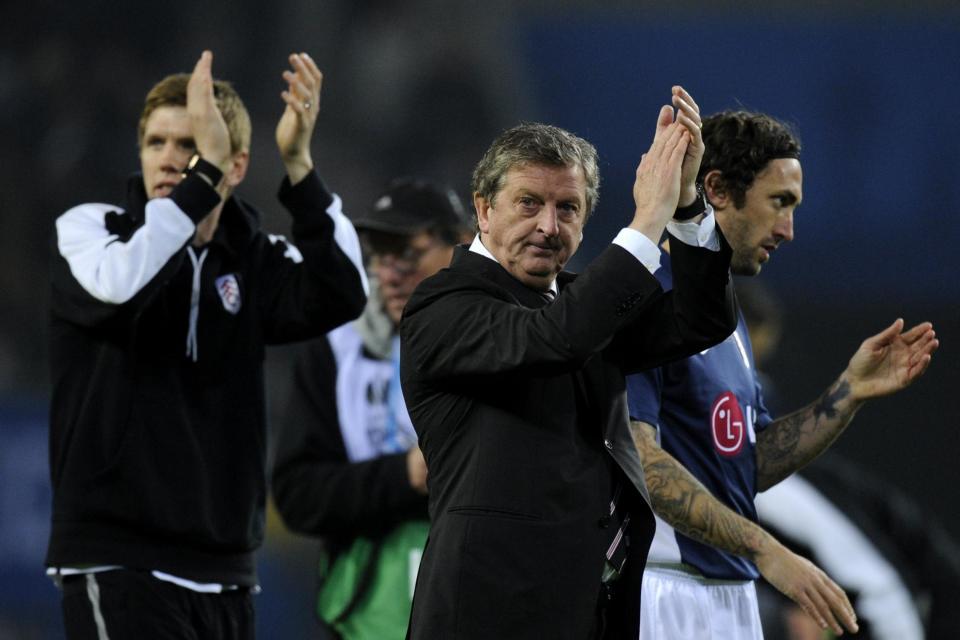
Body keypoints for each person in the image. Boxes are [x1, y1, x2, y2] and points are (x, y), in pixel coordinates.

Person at [45, 50, 368, 639]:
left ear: (236, 165)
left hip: (225, 574)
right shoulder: (93, 230)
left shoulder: (254, 259)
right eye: (155, 143)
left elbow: (346, 292)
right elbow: (120, 288)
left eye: (190, 145)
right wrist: (201, 179)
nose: (170, 160)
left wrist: (299, 165)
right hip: (119, 558)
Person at [399, 87, 740, 639]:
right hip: (487, 614)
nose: (548, 226)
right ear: (484, 210)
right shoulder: (443, 303)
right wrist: (646, 219)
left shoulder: (581, 305)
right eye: (528, 202)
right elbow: (555, 340)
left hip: (584, 608)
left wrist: (684, 207)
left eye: (568, 208)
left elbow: (699, 320)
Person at [626, 110, 939, 639]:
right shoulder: (646, 295)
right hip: (661, 593)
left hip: (726, 593)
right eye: (779, 203)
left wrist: (849, 391)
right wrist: (766, 549)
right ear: (718, 190)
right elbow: (641, 461)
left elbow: (742, 469)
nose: (789, 230)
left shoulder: (727, 319)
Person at [271, 178, 473, 639]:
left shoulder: (510, 335)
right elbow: (298, 495)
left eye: (408, 253)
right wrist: (405, 476)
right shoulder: (337, 350)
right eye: (379, 256)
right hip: (369, 621)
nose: (390, 273)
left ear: (462, 244)